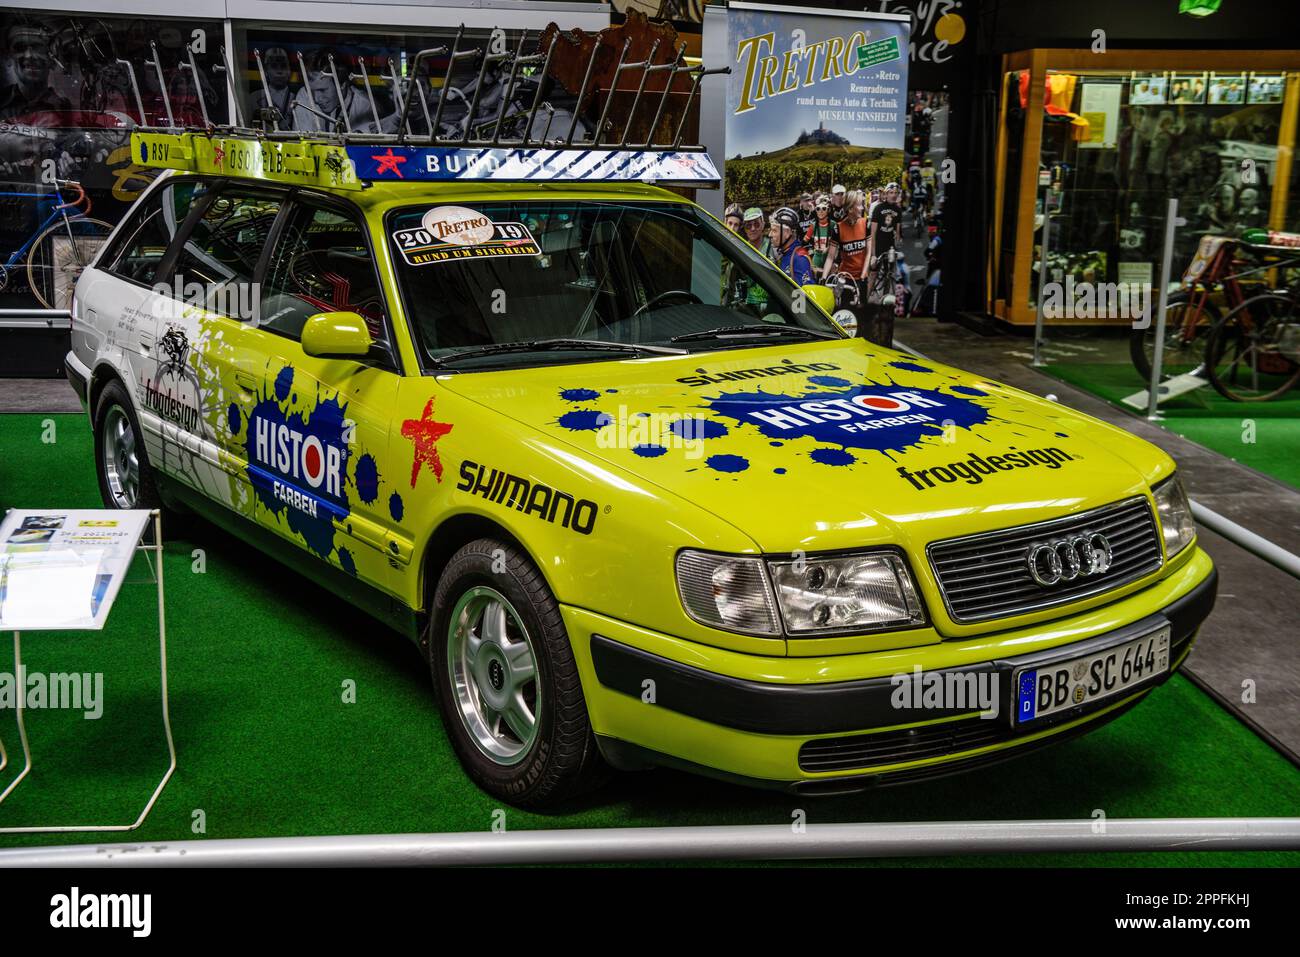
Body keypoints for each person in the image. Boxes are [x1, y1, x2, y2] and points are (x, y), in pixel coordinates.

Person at [867, 182, 904, 301]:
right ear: (886, 194)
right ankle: (865, 300)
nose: (893, 195)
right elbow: (873, 233)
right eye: (891, 193)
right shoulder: (878, 208)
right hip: (878, 246)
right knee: (873, 274)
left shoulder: (898, 210)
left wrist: (899, 243)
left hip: (890, 248)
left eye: (896, 193)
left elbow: (897, 233)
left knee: (889, 275)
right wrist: (872, 254)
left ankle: (885, 300)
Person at [250, 47, 297, 130]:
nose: (279, 71)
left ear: (290, 71)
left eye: (283, 66)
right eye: (274, 66)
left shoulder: (296, 99)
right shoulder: (254, 98)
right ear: (266, 71)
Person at [769, 207, 814, 286]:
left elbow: (805, 297)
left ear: (787, 232)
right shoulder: (784, 252)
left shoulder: (799, 258)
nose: (770, 234)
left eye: (774, 230)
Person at [741, 207, 770, 310]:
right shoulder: (741, 249)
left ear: (763, 224)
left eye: (756, 224)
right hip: (749, 305)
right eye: (748, 225)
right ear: (744, 228)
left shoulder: (772, 247)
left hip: (770, 303)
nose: (753, 228)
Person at [804, 193, 835, 273]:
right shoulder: (813, 225)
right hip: (817, 256)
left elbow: (839, 242)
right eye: (818, 209)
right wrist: (810, 252)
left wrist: (828, 249)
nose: (821, 211)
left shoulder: (833, 224)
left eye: (824, 209)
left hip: (829, 257)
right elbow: (804, 242)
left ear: (828, 210)